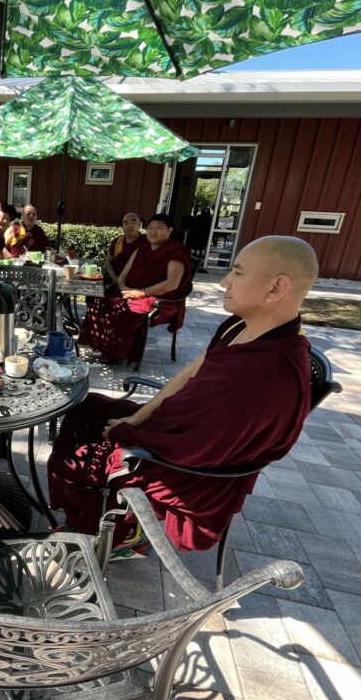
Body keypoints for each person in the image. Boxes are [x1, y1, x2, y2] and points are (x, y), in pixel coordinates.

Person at [49, 236, 318, 558]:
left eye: (238, 273)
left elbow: (199, 445)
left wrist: (125, 435)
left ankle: (108, 538)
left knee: (67, 463)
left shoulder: (264, 374)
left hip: (190, 470)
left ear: (276, 288)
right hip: (178, 433)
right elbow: (191, 372)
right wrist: (135, 418)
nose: (224, 282)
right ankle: (111, 520)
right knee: (88, 406)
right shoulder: (240, 327)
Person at [78, 212, 191, 365]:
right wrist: (123, 288)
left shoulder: (175, 252)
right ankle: (99, 345)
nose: (152, 231)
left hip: (156, 298)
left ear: (169, 230)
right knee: (99, 302)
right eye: (150, 228)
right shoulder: (142, 249)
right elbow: (123, 274)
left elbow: (172, 284)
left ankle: (114, 354)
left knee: (124, 314)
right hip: (130, 291)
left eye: (158, 228)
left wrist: (141, 293)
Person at [102, 212, 147, 288]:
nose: (129, 226)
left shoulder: (146, 241)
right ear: (122, 226)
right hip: (113, 281)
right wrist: (114, 277)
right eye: (126, 223)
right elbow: (108, 261)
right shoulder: (117, 241)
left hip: (136, 285)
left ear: (140, 225)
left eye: (133, 222)